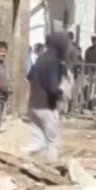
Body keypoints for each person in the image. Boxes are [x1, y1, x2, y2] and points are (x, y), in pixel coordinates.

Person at [26, 32, 70, 163]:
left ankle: (22, 158)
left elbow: (29, 76)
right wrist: (60, 94)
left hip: (34, 104)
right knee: (52, 142)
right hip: (47, 106)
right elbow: (52, 87)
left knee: (37, 142)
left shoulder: (41, 58)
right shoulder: (54, 61)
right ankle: (52, 171)